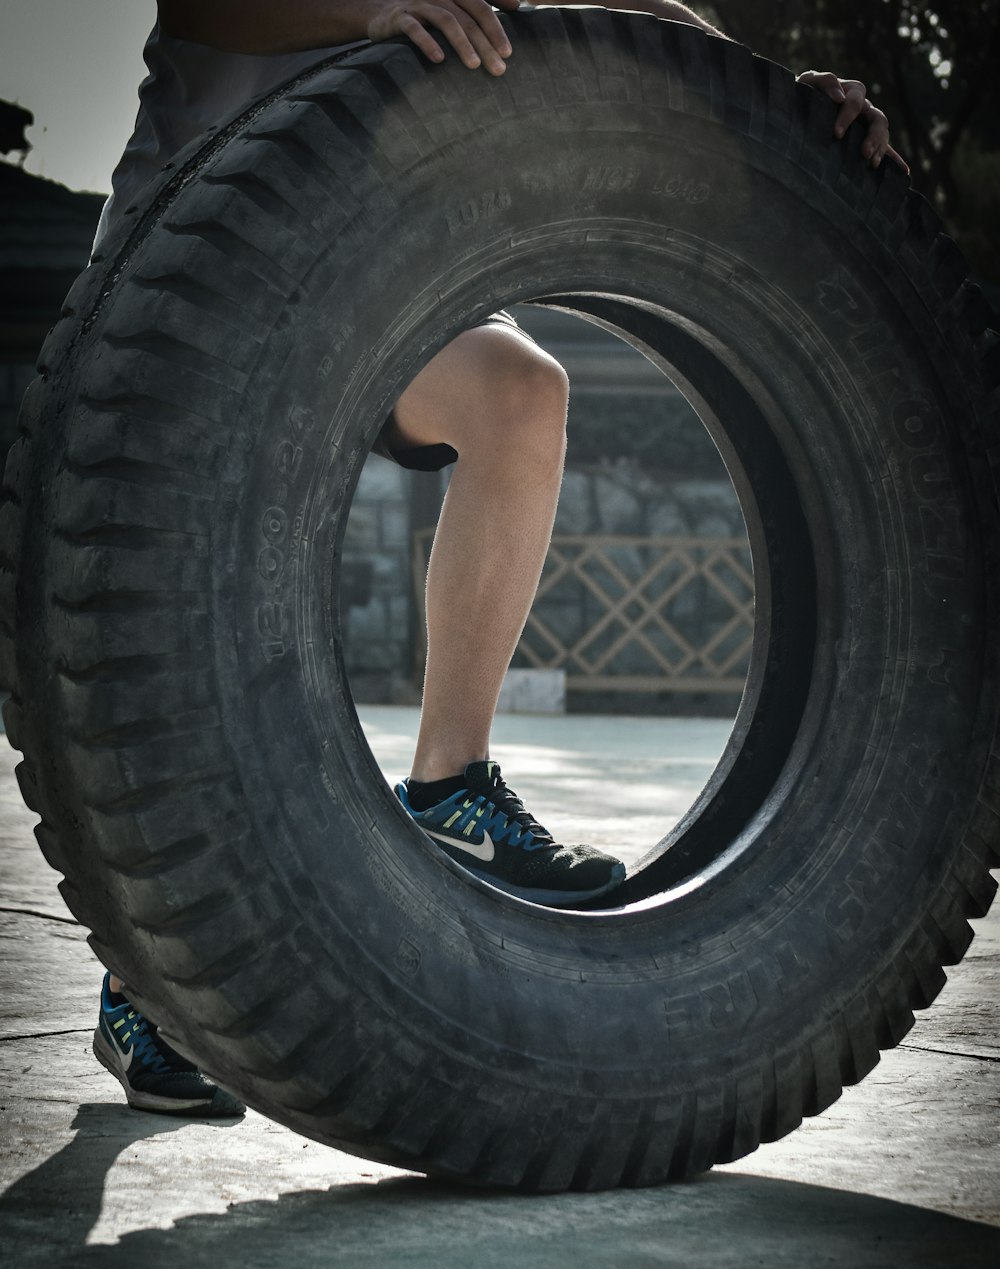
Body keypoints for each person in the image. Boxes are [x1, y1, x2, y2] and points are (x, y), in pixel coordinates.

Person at [92, 0, 908, 1117]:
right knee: (168, 615)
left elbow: (633, 17)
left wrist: (776, 96)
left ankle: (449, 785)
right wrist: (371, 11)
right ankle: (148, 968)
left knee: (521, 392)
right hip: (186, 273)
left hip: (372, 272)